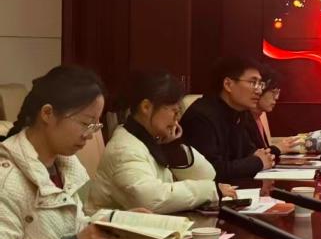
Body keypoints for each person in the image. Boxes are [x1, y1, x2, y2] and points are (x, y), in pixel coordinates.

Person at [0, 66, 120, 239]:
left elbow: (74, 224)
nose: (90, 135)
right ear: (47, 113)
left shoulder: (67, 167)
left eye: (95, 125)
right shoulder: (6, 179)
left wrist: (120, 222)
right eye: (85, 123)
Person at [89, 72, 237, 214]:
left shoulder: (152, 138)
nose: (177, 119)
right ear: (146, 107)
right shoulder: (124, 148)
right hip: (110, 229)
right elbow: (150, 200)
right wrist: (210, 190)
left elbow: (209, 176)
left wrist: (174, 148)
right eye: (174, 111)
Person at [180, 57, 275, 183]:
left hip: (237, 188)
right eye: (253, 83)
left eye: (260, 84)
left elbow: (252, 153)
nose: (259, 90)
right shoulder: (201, 117)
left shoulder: (240, 112)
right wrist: (257, 162)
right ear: (228, 84)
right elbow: (212, 171)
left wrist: (259, 159)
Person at [243, 67, 304, 155]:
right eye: (273, 92)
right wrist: (277, 149)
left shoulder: (257, 117)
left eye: (278, 92)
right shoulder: (242, 119)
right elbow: (253, 155)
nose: (276, 97)